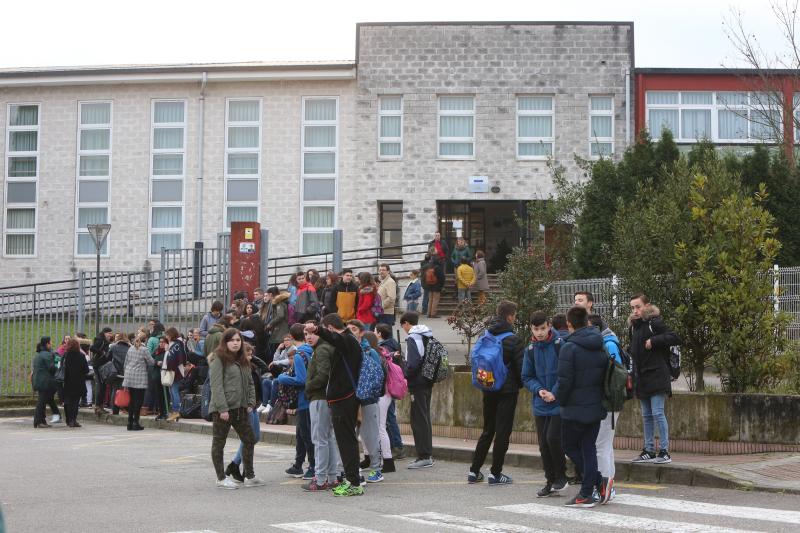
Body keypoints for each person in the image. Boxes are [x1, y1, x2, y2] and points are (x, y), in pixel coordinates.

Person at [305, 314, 365, 497]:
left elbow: (335, 338)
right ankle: (350, 480)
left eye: (325, 330)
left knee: (346, 441)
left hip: (344, 398)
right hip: (343, 398)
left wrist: (317, 329)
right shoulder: (348, 341)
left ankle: (354, 483)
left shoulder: (346, 340)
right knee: (345, 440)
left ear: (330, 328)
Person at [555, 306, 608, 508]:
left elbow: (564, 381)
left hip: (574, 409)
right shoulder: (599, 343)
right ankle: (593, 486)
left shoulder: (569, 347)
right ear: (587, 321)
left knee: (569, 445)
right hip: (595, 405)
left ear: (569, 324)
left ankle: (591, 487)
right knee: (588, 448)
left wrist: (560, 400)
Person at [468, 301, 524, 485]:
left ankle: (474, 471)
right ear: (509, 316)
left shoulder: (486, 335)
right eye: (514, 315)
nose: (514, 318)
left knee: (487, 430)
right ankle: (496, 473)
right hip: (507, 391)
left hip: (488, 387)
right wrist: (519, 384)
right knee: (502, 433)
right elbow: (520, 368)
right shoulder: (513, 339)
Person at [208, 328, 264, 489]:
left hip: (241, 408)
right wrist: (222, 408)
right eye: (232, 340)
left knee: (249, 439)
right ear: (225, 342)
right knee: (219, 443)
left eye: (238, 340)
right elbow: (216, 386)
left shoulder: (243, 359)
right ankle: (220, 477)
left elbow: (250, 383)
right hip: (223, 410)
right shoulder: (218, 358)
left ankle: (249, 476)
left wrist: (251, 403)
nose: (235, 343)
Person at [629, 294, 681, 465]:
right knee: (646, 415)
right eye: (632, 308)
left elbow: (674, 337)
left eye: (638, 307)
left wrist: (654, 340)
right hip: (642, 377)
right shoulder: (634, 327)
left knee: (658, 413)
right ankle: (649, 450)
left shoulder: (654, 323)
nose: (635, 311)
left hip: (658, 375)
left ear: (646, 306)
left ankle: (664, 451)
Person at [522, 311, 567, 497]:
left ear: (549, 326)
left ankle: (561, 477)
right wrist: (538, 390)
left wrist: (554, 393)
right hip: (541, 402)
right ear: (531, 329)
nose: (539, 333)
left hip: (558, 402)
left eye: (542, 328)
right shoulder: (530, 350)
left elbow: (565, 374)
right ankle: (550, 480)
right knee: (543, 444)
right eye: (535, 329)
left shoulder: (559, 345)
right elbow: (526, 376)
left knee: (553, 438)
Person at [302, 321, 342, 491]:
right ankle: (332, 477)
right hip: (327, 398)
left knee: (320, 439)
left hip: (319, 398)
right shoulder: (325, 348)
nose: (309, 336)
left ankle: (319, 479)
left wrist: (308, 386)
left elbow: (323, 375)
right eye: (306, 333)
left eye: (312, 333)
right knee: (328, 437)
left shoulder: (322, 350)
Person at [346, 320, 387, 483]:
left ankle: (377, 469)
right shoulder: (346, 350)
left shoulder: (370, 352)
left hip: (368, 400)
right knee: (350, 437)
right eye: (348, 329)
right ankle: (352, 468)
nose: (351, 332)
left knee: (370, 435)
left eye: (354, 329)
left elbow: (378, 376)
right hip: (350, 399)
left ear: (362, 332)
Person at [588, 313, 622, 504]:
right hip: (610, 402)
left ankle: (605, 485)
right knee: (605, 445)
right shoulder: (609, 342)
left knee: (601, 446)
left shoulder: (607, 345)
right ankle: (609, 484)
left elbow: (612, 375)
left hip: (608, 402)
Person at [226, 344, 268, 483]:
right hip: (245, 407)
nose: (251, 357)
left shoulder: (250, 365)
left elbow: (266, 367)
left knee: (254, 437)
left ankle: (235, 464)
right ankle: (245, 469)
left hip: (254, 405)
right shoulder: (238, 368)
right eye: (248, 354)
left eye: (252, 354)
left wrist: (250, 356)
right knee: (249, 438)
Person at [279, 323, 315, 480]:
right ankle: (298, 464)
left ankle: (313, 466)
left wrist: (283, 378)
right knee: (300, 434)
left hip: (304, 400)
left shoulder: (300, 355)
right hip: (309, 399)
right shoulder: (311, 351)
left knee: (307, 435)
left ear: (292, 337)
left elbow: (302, 379)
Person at [401, 311, 436, 468]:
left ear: (407, 323)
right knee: (424, 417)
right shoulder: (427, 335)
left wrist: (405, 373)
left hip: (417, 383)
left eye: (403, 326)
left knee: (418, 419)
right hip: (428, 380)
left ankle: (424, 456)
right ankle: (427, 453)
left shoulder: (413, 337)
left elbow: (413, 363)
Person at [376, 323, 404, 458]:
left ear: (380, 333)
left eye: (375, 331)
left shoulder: (383, 348)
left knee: (389, 418)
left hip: (387, 387)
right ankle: (396, 446)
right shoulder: (394, 344)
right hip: (393, 385)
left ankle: (397, 447)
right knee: (389, 417)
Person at [122, 332, 155, 431]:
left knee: (131, 400)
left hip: (129, 376)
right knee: (138, 400)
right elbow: (151, 362)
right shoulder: (144, 349)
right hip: (139, 377)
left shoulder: (130, 348)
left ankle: (129, 422)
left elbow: (125, 363)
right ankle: (136, 422)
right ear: (145, 340)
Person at [61, 338, 90, 428]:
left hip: (67, 381)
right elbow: (86, 370)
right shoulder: (81, 356)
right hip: (78, 382)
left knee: (68, 402)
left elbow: (61, 367)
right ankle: (73, 420)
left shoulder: (65, 355)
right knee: (75, 403)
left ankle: (68, 420)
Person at [32, 336, 60, 428]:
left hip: (39, 381)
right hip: (45, 382)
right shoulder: (46, 355)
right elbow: (51, 368)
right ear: (47, 344)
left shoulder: (39, 354)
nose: (51, 344)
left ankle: (41, 421)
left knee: (42, 401)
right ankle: (38, 421)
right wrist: (58, 368)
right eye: (50, 343)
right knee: (41, 402)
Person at [164, 327, 188, 422]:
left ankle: (176, 411)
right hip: (174, 370)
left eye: (167, 335)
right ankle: (174, 412)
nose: (166, 337)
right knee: (172, 391)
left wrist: (167, 351)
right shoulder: (176, 344)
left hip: (175, 371)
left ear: (171, 335)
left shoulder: (177, 344)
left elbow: (175, 358)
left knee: (174, 391)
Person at [90, 327, 113, 415]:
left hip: (103, 365)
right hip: (98, 365)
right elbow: (92, 348)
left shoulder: (106, 341)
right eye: (109, 333)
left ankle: (101, 406)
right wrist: (102, 353)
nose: (110, 335)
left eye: (111, 333)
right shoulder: (100, 340)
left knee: (103, 386)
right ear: (104, 333)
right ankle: (98, 407)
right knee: (100, 386)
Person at [263, 287, 290, 362]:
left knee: (278, 350)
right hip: (278, 331)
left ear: (271, 294)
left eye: (267, 295)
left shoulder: (279, 303)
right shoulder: (276, 302)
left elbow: (280, 315)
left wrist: (270, 324)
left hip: (280, 331)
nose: (266, 297)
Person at [109, 333, 130, 415]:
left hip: (116, 372)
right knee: (127, 390)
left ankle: (115, 410)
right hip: (127, 372)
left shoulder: (113, 347)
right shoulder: (130, 348)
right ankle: (127, 408)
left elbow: (108, 358)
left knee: (115, 390)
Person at [423, 253, 446, 318]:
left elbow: (425, 276)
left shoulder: (429, 267)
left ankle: (428, 313)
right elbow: (442, 278)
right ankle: (433, 314)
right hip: (437, 286)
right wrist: (441, 286)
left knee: (430, 300)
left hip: (429, 285)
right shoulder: (438, 268)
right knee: (435, 300)